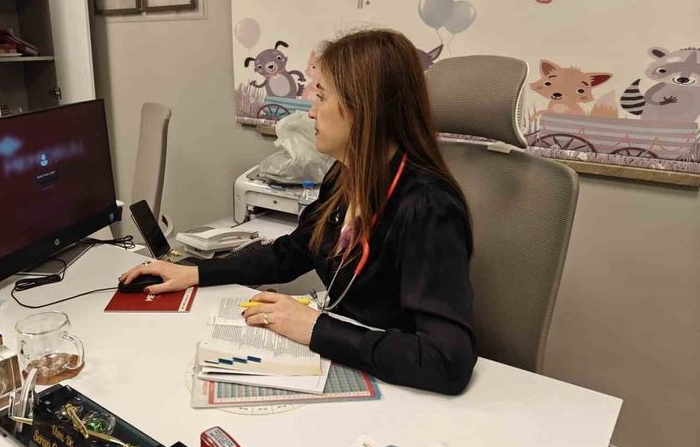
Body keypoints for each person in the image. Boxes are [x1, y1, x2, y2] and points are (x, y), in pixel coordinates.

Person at [119, 29, 476, 395]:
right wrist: (195, 271)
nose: (311, 111)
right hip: (349, 360)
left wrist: (316, 328)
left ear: (363, 109)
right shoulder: (344, 175)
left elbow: (445, 361)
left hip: (401, 390)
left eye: (321, 96)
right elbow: (293, 252)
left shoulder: (428, 206)